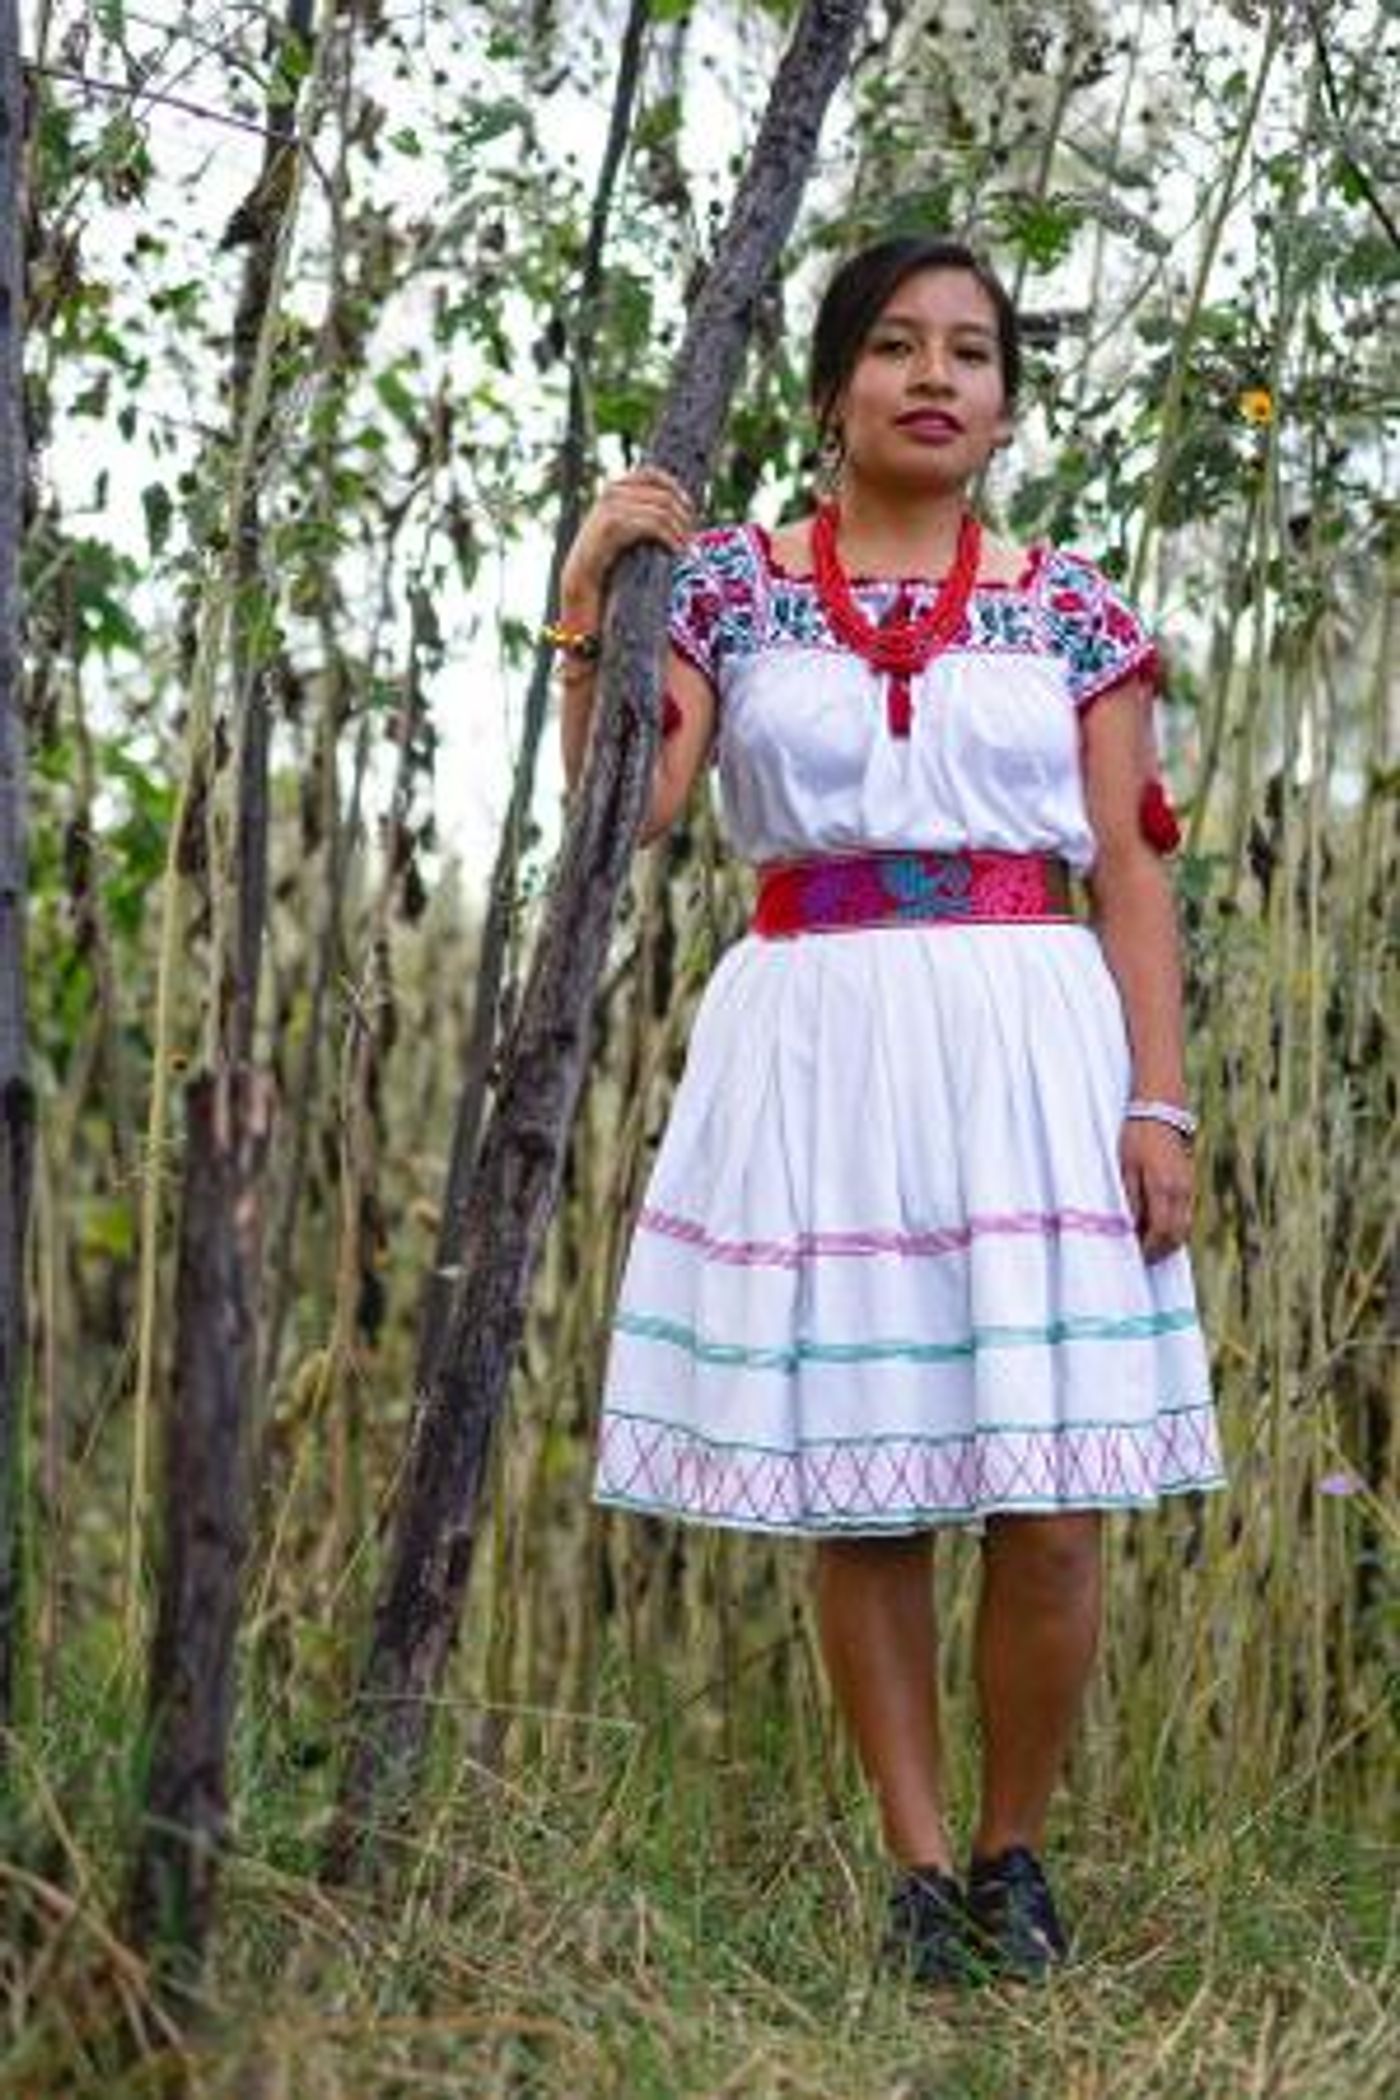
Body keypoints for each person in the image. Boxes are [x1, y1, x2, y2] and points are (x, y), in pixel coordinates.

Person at [552, 235, 1225, 1987]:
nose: (939, 377)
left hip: (1031, 1043)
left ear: (1004, 405)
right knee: (873, 1485)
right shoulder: (733, 594)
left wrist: (1161, 1103)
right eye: (899, 347)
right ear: (838, 379)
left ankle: (1018, 1856)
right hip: (823, 1036)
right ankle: (918, 1875)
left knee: (1053, 1492)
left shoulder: (1073, 606)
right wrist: (587, 602)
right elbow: (626, 809)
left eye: (975, 354)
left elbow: (1136, 878)